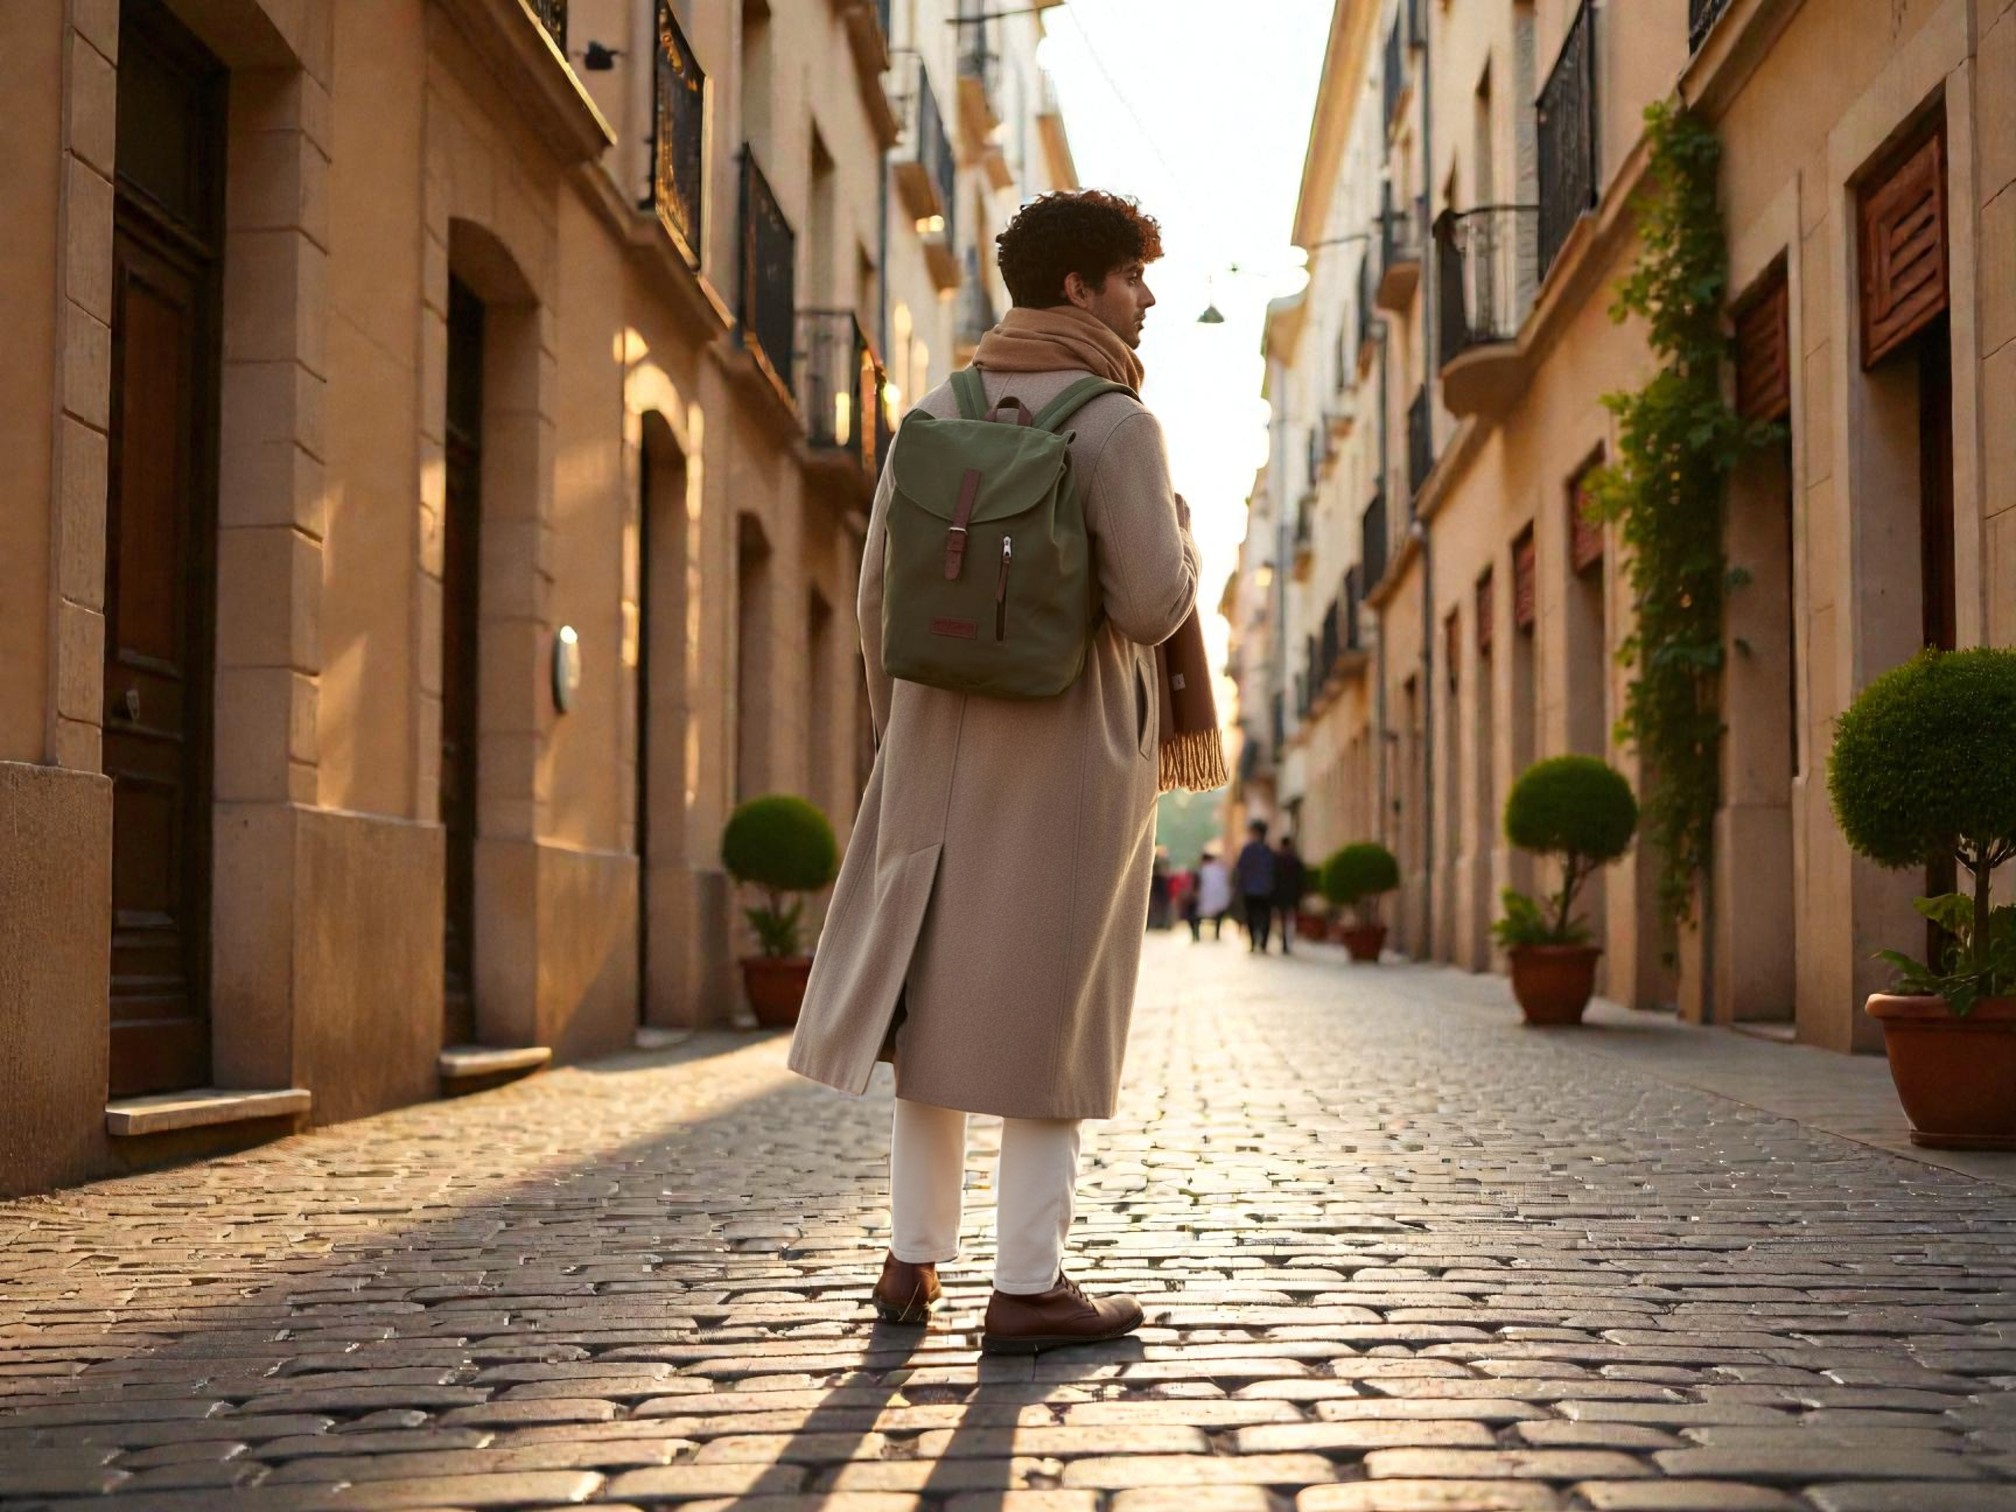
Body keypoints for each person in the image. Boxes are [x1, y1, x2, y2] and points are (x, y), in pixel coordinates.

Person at [787, 190, 1204, 1355]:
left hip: (934, 748)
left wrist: (904, 739)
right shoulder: (1118, 428)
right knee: (1045, 1019)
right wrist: (1182, 529)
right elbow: (1151, 602)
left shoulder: (933, 410)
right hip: (1067, 755)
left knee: (934, 1011)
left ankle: (909, 1262)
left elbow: (879, 604)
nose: (1149, 297)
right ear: (1080, 289)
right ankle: (1029, 1285)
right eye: (1132, 276)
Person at [1234, 819, 1277, 953]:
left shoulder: (1248, 850)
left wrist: (1239, 887)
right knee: (1265, 917)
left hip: (1251, 890)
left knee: (1251, 916)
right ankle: (1263, 944)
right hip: (1265, 889)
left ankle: (1253, 943)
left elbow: (1240, 869)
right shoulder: (1268, 851)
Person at [1272, 834, 1307, 956]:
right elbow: (1301, 878)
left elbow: (1273, 877)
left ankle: (1284, 940)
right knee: (1289, 918)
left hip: (1280, 893)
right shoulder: (1295, 859)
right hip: (1292, 894)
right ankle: (1287, 941)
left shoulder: (1277, 859)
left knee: (1282, 918)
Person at [1194, 848, 1232, 940]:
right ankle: (1217, 934)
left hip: (1205, 898)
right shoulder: (1221, 870)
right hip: (1220, 899)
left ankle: (1196, 935)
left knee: (1197, 916)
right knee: (1218, 916)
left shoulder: (1202, 870)